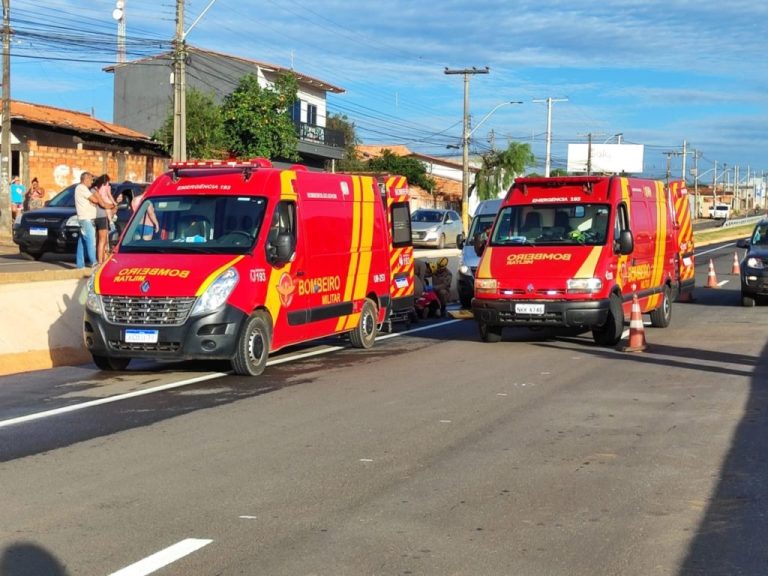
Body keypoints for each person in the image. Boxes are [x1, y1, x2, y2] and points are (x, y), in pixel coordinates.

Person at [74, 172, 98, 268]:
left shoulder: (81, 189)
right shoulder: (82, 188)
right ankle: (94, 262)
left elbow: (92, 201)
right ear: (86, 179)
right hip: (86, 219)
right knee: (90, 241)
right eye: (91, 180)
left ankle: (80, 265)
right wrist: (95, 194)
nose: (92, 182)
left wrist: (91, 201)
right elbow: (95, 200)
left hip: (84, 218)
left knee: (82, 242)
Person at [92, 174, 116, 263]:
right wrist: (114, 204)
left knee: (100, 240)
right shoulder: (101, 189)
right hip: (102, 216)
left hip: (96, 216)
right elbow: (104, 203)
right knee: (103, 241)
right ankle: (100, 261)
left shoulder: (96, 189)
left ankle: (102, 259)